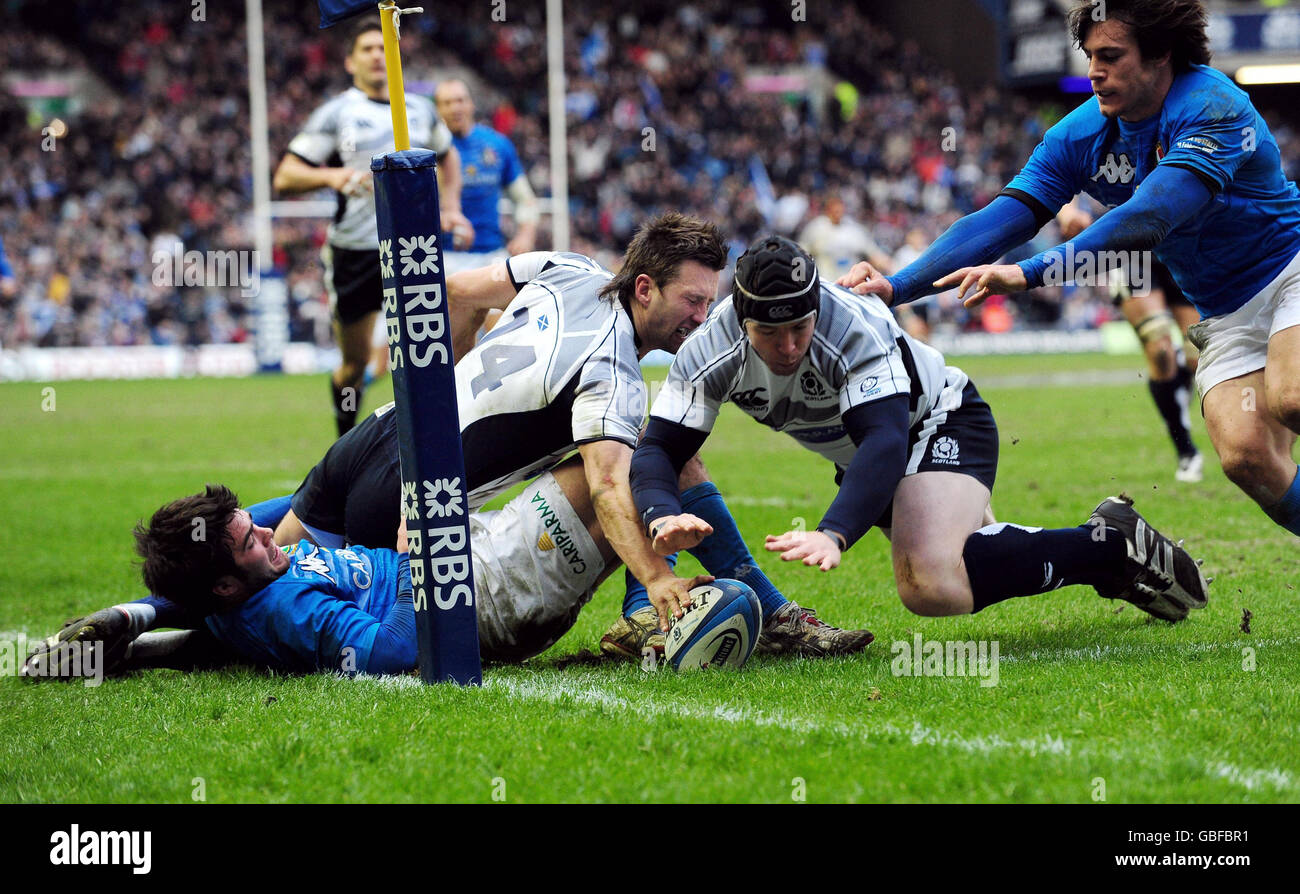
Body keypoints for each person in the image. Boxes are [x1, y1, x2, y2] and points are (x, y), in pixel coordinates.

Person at [284, 213, 870, 658]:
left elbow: (458, 294)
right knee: (652, 452)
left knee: (245, 560)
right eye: (692, 301)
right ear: (645, 289)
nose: (700, 318)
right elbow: (612, 486)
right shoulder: (611, 372)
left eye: (707, 303)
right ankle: (740, 613)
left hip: (375, 436)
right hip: (411, 505)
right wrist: (657, 577)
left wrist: (436, 407)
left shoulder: (567, 268)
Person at [843, 0, 1300, 540]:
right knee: (1245, 456)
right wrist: (896, 286)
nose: (1093, 72)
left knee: (1291, 396)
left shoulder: (1212, 103)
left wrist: (1032, 272)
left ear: (1159, 56)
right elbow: (1000, 219)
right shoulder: (1078, 136)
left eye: (1110, 55)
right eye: (1089, 56)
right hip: (1224, 310)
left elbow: (1150, 215)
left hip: (1289, 270)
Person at [630, 235, 1210, 625]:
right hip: (870, 451)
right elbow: (660, 447)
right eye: (768, 334)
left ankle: (1104, 549)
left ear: (816, 308)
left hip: (938, 419)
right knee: (967, 558)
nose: (787, 349)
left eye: (799, 329)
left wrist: (833, 533)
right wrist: (660, 512)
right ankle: (1110, 540)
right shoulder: (711, 349)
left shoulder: (850, 324)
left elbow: (885, 438)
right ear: (740, 318)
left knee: (928, 583)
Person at [26, 458, 626, 677]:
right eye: (249, 541)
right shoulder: (289, 609)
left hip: (470, 560)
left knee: (623, 471)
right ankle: (653, 612)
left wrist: (137, 615)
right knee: (628, 463)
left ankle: (659, 611)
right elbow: (394, 653)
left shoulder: (239, 591)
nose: (266, 532)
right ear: (228, 585)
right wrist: (413, 563)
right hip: (476, 594)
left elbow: (283, 512)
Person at [272, 19, 474, 437]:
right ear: (350, 61)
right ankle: (344, 442)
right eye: (367, 49)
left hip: (412, 249)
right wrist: (331, 177)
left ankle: (434, 443)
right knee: (355, 364)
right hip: (356, 252)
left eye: (384, 48)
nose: (378, 55)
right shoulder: (337, 112)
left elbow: (448, 157)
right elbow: (285, 175)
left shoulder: (418, 110)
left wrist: (451, 207)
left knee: (427, 353)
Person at [1057, 200, 1203, 481]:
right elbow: (1064, 166)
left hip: (1181, 240)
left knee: (1199, 355)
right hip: (1128, 249)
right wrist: (1068, 212)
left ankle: (1177, 379)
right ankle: (1186, 450)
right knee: (1159, 346)